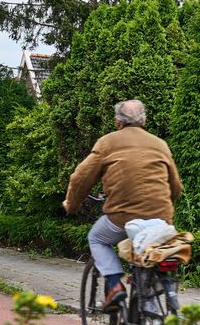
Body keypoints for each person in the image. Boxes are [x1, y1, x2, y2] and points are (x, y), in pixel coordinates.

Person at [63, 99, 182, 310]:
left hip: (122, 217)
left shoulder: (107, 143)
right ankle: (151, 315)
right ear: (144, 120)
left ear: (118, 122)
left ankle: (115, 284)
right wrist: (162, 209)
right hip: (160, 218)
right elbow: (176, 186)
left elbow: (80, 179)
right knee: (148, 257)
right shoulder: (160, 144)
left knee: (97, 238)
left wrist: (71, 205)